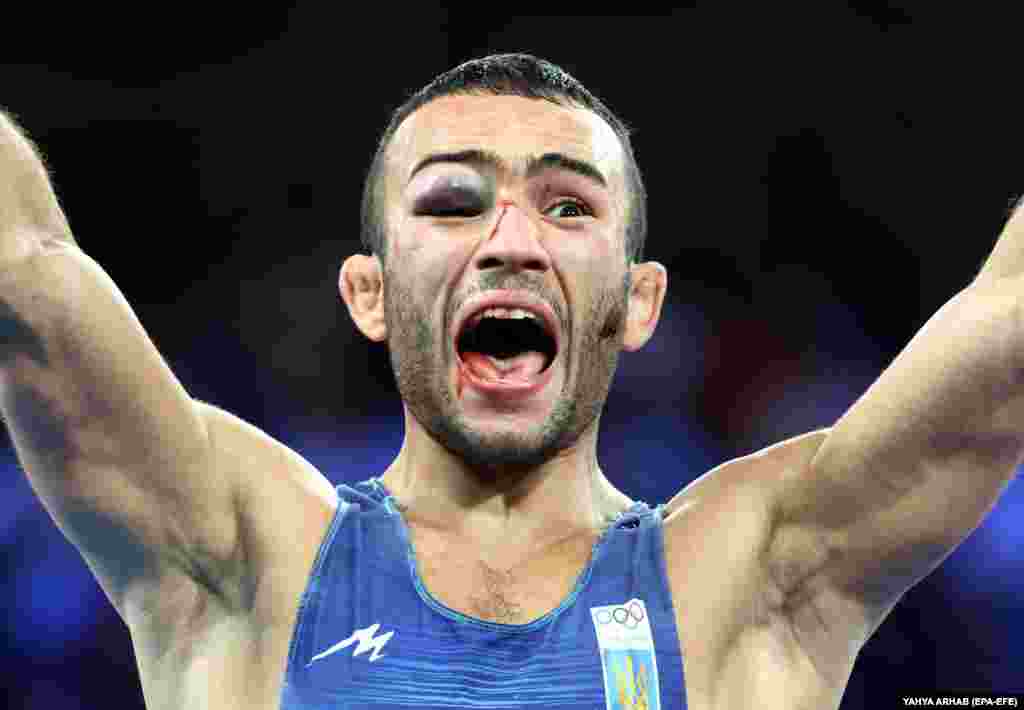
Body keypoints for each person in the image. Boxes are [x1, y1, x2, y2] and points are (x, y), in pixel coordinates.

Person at [0, 53, 1019, 710]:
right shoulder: (241, 551)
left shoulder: (750, 579)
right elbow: (23, 266)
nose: (511, 241)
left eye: (568, 207)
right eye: (452, 200)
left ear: (636, 301)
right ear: (368, 290)